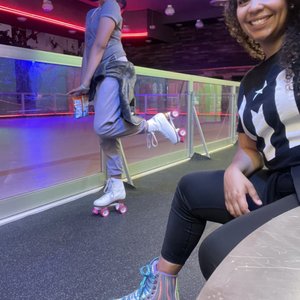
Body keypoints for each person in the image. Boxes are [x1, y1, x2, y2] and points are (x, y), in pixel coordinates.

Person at [115, 0, 300, 298]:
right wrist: (234, 170)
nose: (252, 8)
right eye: (241, 2)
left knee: (219, 251)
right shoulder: (251, 82)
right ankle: (160, 292)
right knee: (190, 188)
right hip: (282, 184)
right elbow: (249, 148)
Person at [68, 0, 184, 211]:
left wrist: (86, 81)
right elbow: (88, 49)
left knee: (103, 126)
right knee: (106, 134)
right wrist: (85, 82)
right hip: (99, 74)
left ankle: (154, 124)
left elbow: (101, 44)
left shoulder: (111, 4)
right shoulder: (91, 13)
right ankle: (116, 185)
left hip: (115, 68)